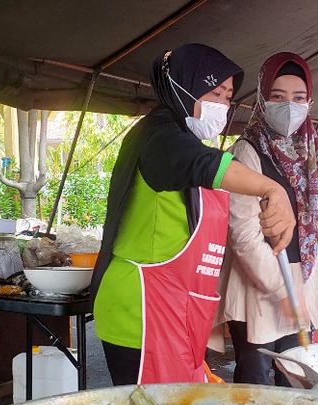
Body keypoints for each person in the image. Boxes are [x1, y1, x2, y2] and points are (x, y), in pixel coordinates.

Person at [91, 44, 295, 386]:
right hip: (141, 311)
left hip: (176, 311)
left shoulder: (182, 137)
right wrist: (273, 190)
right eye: (215, 92)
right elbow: (205, 165)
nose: (224, 105)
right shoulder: (158, 136)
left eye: (229, 97)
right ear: (182, 85)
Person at [216, 52, 318, 385]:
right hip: (258, 280)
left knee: (297, 372)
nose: (289, 106)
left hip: (305, 273)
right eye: (278, 97)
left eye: (298, 98)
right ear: (262, 100)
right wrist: (281, 292)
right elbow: (243, 235)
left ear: (310, 101)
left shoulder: (315, 148)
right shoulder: (247, 151)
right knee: (256, 375)